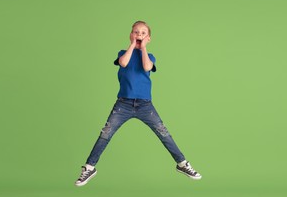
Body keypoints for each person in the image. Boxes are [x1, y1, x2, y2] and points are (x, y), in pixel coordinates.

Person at [75, 21, 202, 187]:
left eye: (143, 33)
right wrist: (133, 45)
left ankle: (182, 164)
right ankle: (90, 167)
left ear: (148, 38)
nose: (139, 35)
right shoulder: (123, 53)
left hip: (145, 105)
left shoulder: (149, 56)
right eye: (136, 32)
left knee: (164, 133)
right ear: (131, 35)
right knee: (106, 133)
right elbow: (124, 63)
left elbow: (147, 66)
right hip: (123, 104)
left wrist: (143, 48)